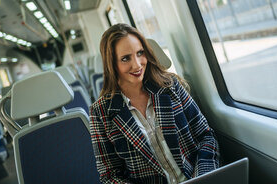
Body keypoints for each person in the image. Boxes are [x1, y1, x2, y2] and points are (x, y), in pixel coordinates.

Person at [89, 23, 220, 184]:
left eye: (140, 53)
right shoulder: (101, 112)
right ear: (112, 64)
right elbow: (110, 176)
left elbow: (206, 136)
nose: (137, 64)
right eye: (125, 58)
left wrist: (203, 176)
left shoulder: (170, 86)